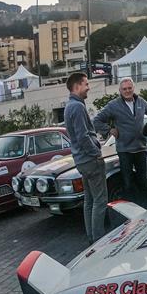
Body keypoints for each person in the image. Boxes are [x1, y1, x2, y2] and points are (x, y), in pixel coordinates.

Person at [93, 77, 147, 206]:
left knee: (142, 181)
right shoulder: (113, 105)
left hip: (140, 148)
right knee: (127, 182)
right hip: (124, 150)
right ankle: (132, 211)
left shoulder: (141, 102)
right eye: (124, 89)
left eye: (129, 88)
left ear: (133, 88)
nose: (127, 91)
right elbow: (97, 120)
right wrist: (109, 130)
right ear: (120, 91)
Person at [63, 72, 106, 243]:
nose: (88, 87)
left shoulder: (69, 106)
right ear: (77, 86)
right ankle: (99, 239)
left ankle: (91, 238)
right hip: (90, 160)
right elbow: (82, 136)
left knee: (89, 201)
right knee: (100, 201)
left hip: (81, 161)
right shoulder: (78, 107)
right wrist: (96, 154)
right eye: (86, 84)